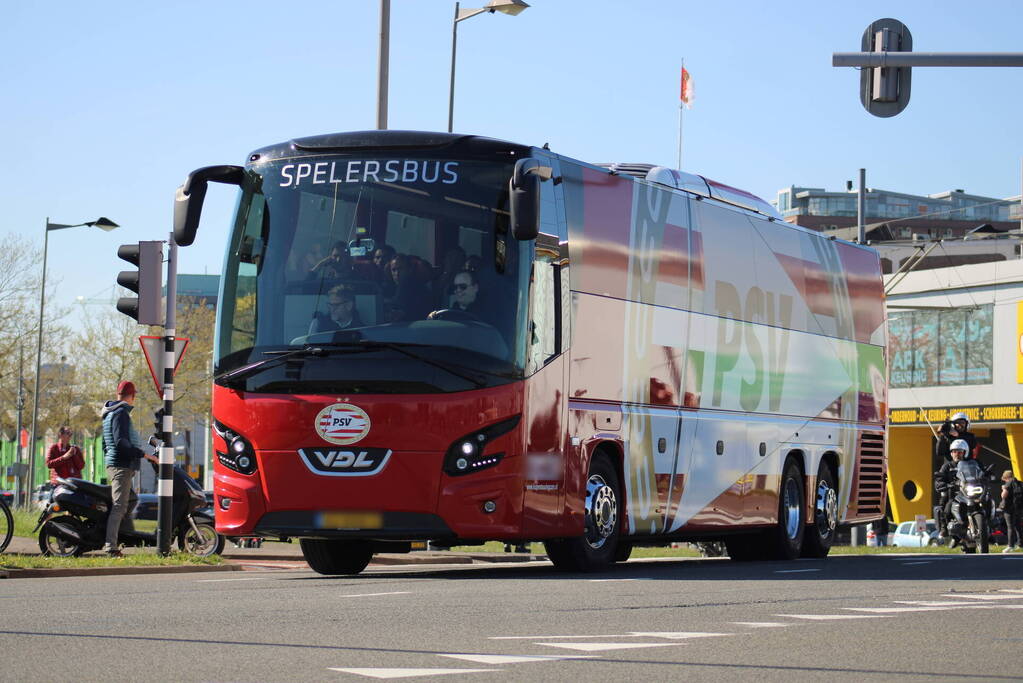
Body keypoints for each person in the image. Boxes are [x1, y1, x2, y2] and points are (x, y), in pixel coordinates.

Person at [101, 380, 156, 557]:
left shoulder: (109, 414)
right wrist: (144, 454)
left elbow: (105, 444)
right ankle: (110, 546)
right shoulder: (121, 414)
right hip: (121, 466)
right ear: (132, 396)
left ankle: (121, 536)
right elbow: (120, 442)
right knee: (119, 506)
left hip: (116, 464)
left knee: (130, 500)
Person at [934, 438, 971, 544]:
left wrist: (985, 475)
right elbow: (939, 477)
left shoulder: (970, 464)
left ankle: (987, 527)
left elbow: (979, 472)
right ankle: (946, 530)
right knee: (946, 508)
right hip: (954, 494)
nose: (957, 454)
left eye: (959, 452)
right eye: (954, 451)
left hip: (969, 492)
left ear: (965, 452)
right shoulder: (947, 466)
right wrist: (941, 483)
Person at [1000, 469, 1023, 553]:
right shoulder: (1020, 483)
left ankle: (1010, 545)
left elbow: (1003, 496)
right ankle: (1020, 543)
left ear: (1006, 477)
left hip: (1009, 508)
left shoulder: (1008, 483)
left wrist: (1003, 489)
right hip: (1018, 508)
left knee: (1010, 527)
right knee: (1018, 526)